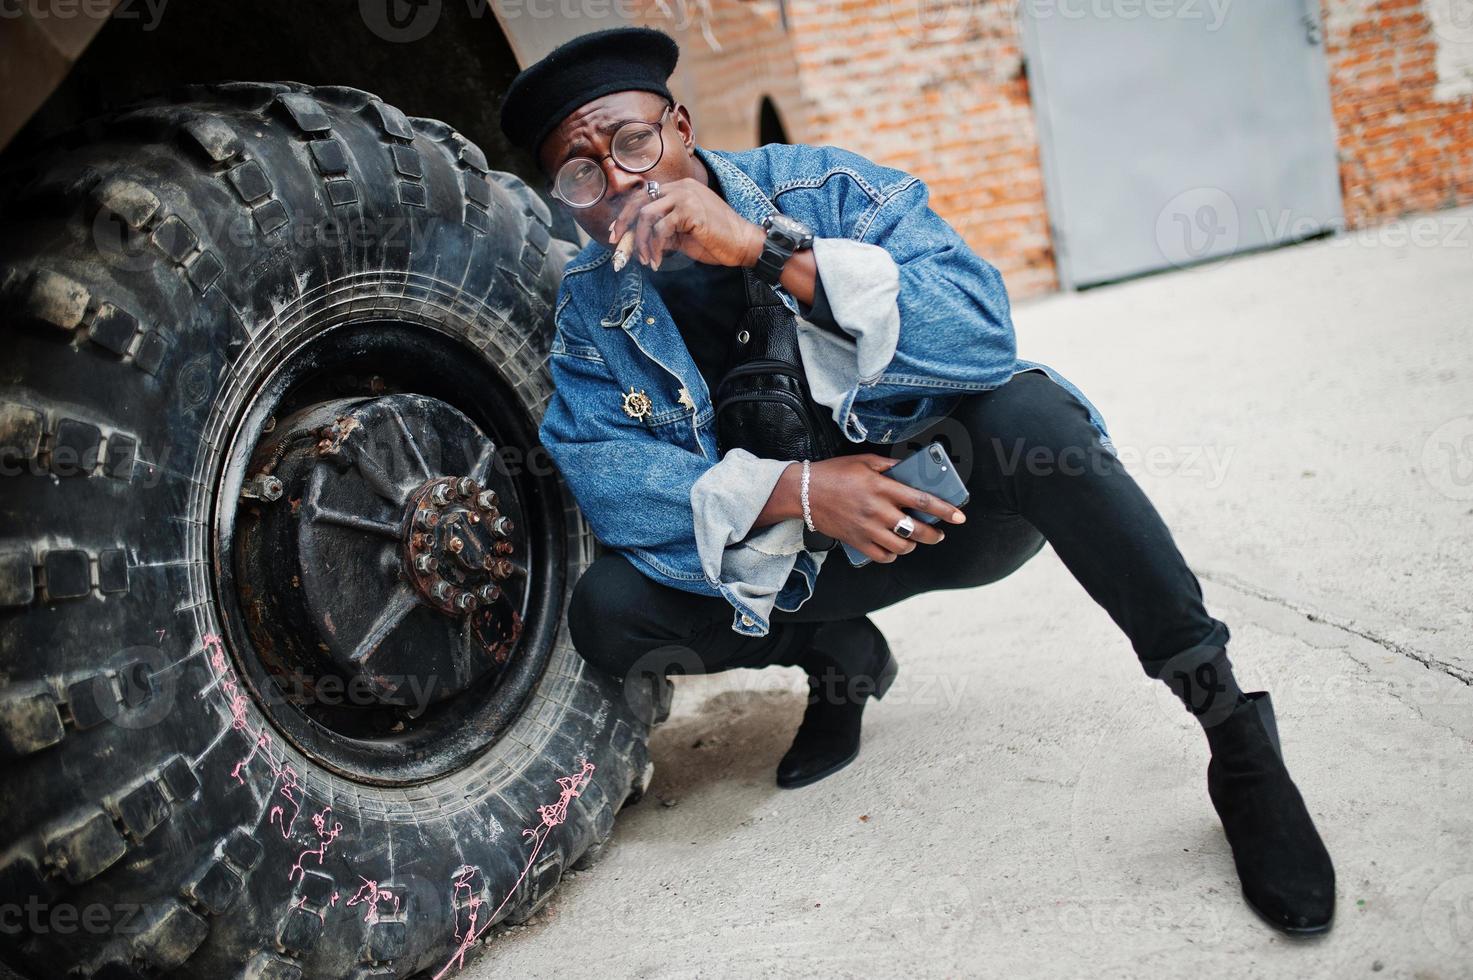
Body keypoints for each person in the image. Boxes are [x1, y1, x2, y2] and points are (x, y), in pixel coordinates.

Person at [498, 26, 1334, 935]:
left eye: (631, 141)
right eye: (579, 174)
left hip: (948, 511)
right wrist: (804, 493)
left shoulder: (821, 187)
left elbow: (982, 334)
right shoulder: (591, 309)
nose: (619, 182)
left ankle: (1232, 732)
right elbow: (611, 479)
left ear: (682, 126)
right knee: (612, 611)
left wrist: (765, 254)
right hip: (806, 567)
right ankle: (840, 659)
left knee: (1032, 418)